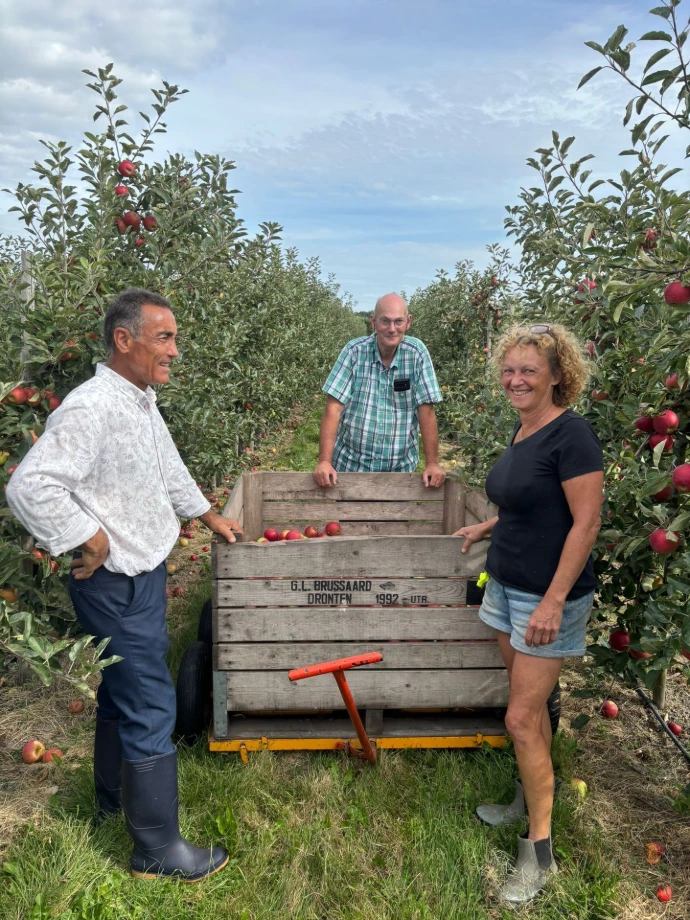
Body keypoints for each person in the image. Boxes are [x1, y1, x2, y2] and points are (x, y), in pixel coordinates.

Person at [6, 288, 242, 883]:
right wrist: (90, 537)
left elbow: (167, 466)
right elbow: (30, 486)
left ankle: (113, 803)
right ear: (124, 339)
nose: (175, 350)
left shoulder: (139, 401)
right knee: (152, 701)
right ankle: (156, 851)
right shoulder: (92, 407)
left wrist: (209, 516)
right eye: (164, 337)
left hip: (141, 572)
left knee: (119, 691)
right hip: (114, 580)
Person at [454, 323, 603, 905]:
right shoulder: (525, 429)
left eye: (529, 372)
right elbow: (532, 501)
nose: (515, 380)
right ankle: (527, 791)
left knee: (519, 717)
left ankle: (539, 851)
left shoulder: (573, 435)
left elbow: (585, 522)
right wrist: (488, 525)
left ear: (558, 375)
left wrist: (553, 600)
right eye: (509, 370)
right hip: (507, 584)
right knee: (528, 707)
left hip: (547, 597)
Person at [313, 292, 445, 488]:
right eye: (385, 321)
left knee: (394, 519)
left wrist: (432, 463)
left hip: (399, 472)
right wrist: (324, 461)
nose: (392, 329)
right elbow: (333, 408)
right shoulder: (354, 352)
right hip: (351, 468)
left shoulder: (417, 354)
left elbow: (426, 410)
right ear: (373, 322)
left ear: (408, 322)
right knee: (349, 519)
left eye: (398, 322)